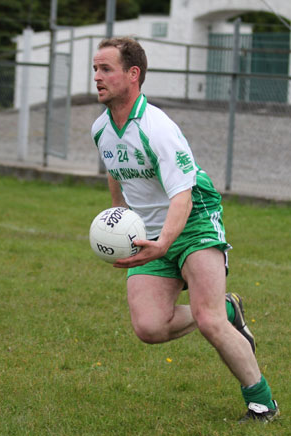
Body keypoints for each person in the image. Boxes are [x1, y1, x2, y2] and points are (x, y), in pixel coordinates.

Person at [91, 37, 278, 422]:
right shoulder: (102, 129)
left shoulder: (157, 127)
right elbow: (116, 170)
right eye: (95, 69)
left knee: (209, 321)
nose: (97, 77)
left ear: (133, 74)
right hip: (149, 229)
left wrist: (163, 244)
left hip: (193, 221)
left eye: (105, 69)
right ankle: (228, 306)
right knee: (149, 327)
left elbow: (183, 197)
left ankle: (262, 404)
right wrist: (118, 217)